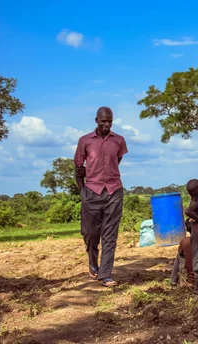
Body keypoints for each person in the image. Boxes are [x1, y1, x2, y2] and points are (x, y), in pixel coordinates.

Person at [74, 106, 128, 288]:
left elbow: (116, 161)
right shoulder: (84, 141)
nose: (107, 124)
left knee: (110, 234)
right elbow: (78, 170)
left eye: (110, 121)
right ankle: (92, 262)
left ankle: (105, 274)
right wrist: (83, 192)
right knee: (90, 233)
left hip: (114, 191)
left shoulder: (119, 141)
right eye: (103, 121)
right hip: (92, 191)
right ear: (96, 120)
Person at [171, 219, 194, 286]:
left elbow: (180, 252)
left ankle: (173, 280)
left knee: (179, 255)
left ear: (186, 229)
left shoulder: (185, 241)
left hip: (192, 274)